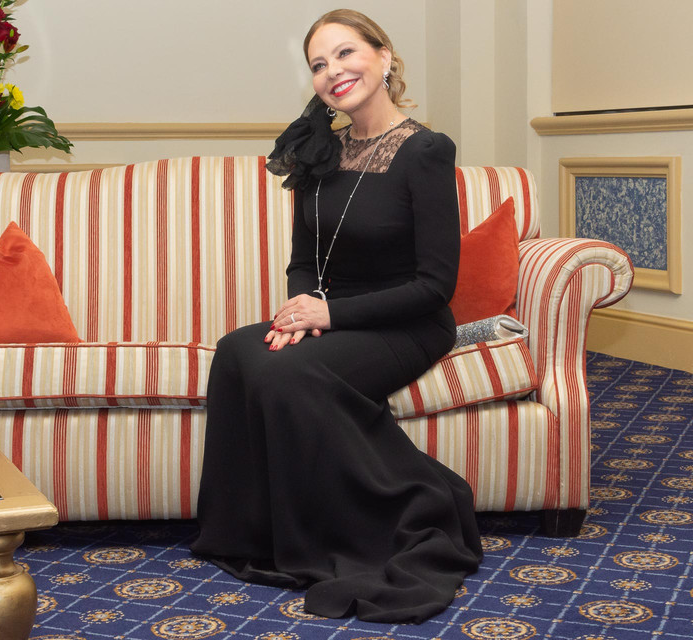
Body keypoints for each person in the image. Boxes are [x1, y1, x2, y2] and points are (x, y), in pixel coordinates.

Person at [190, 9, 482, 623]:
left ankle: (415, 503)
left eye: (346, 53)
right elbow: (303, 260)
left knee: (288, 374)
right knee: (238, 350)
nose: (333, 71)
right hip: (330, 317)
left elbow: (435, 285)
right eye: (319, 64)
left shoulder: (426, 150)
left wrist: (329, 314)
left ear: (384, 56)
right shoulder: (318, 147)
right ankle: (250, 534)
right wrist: (299, 315)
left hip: (406, 322)